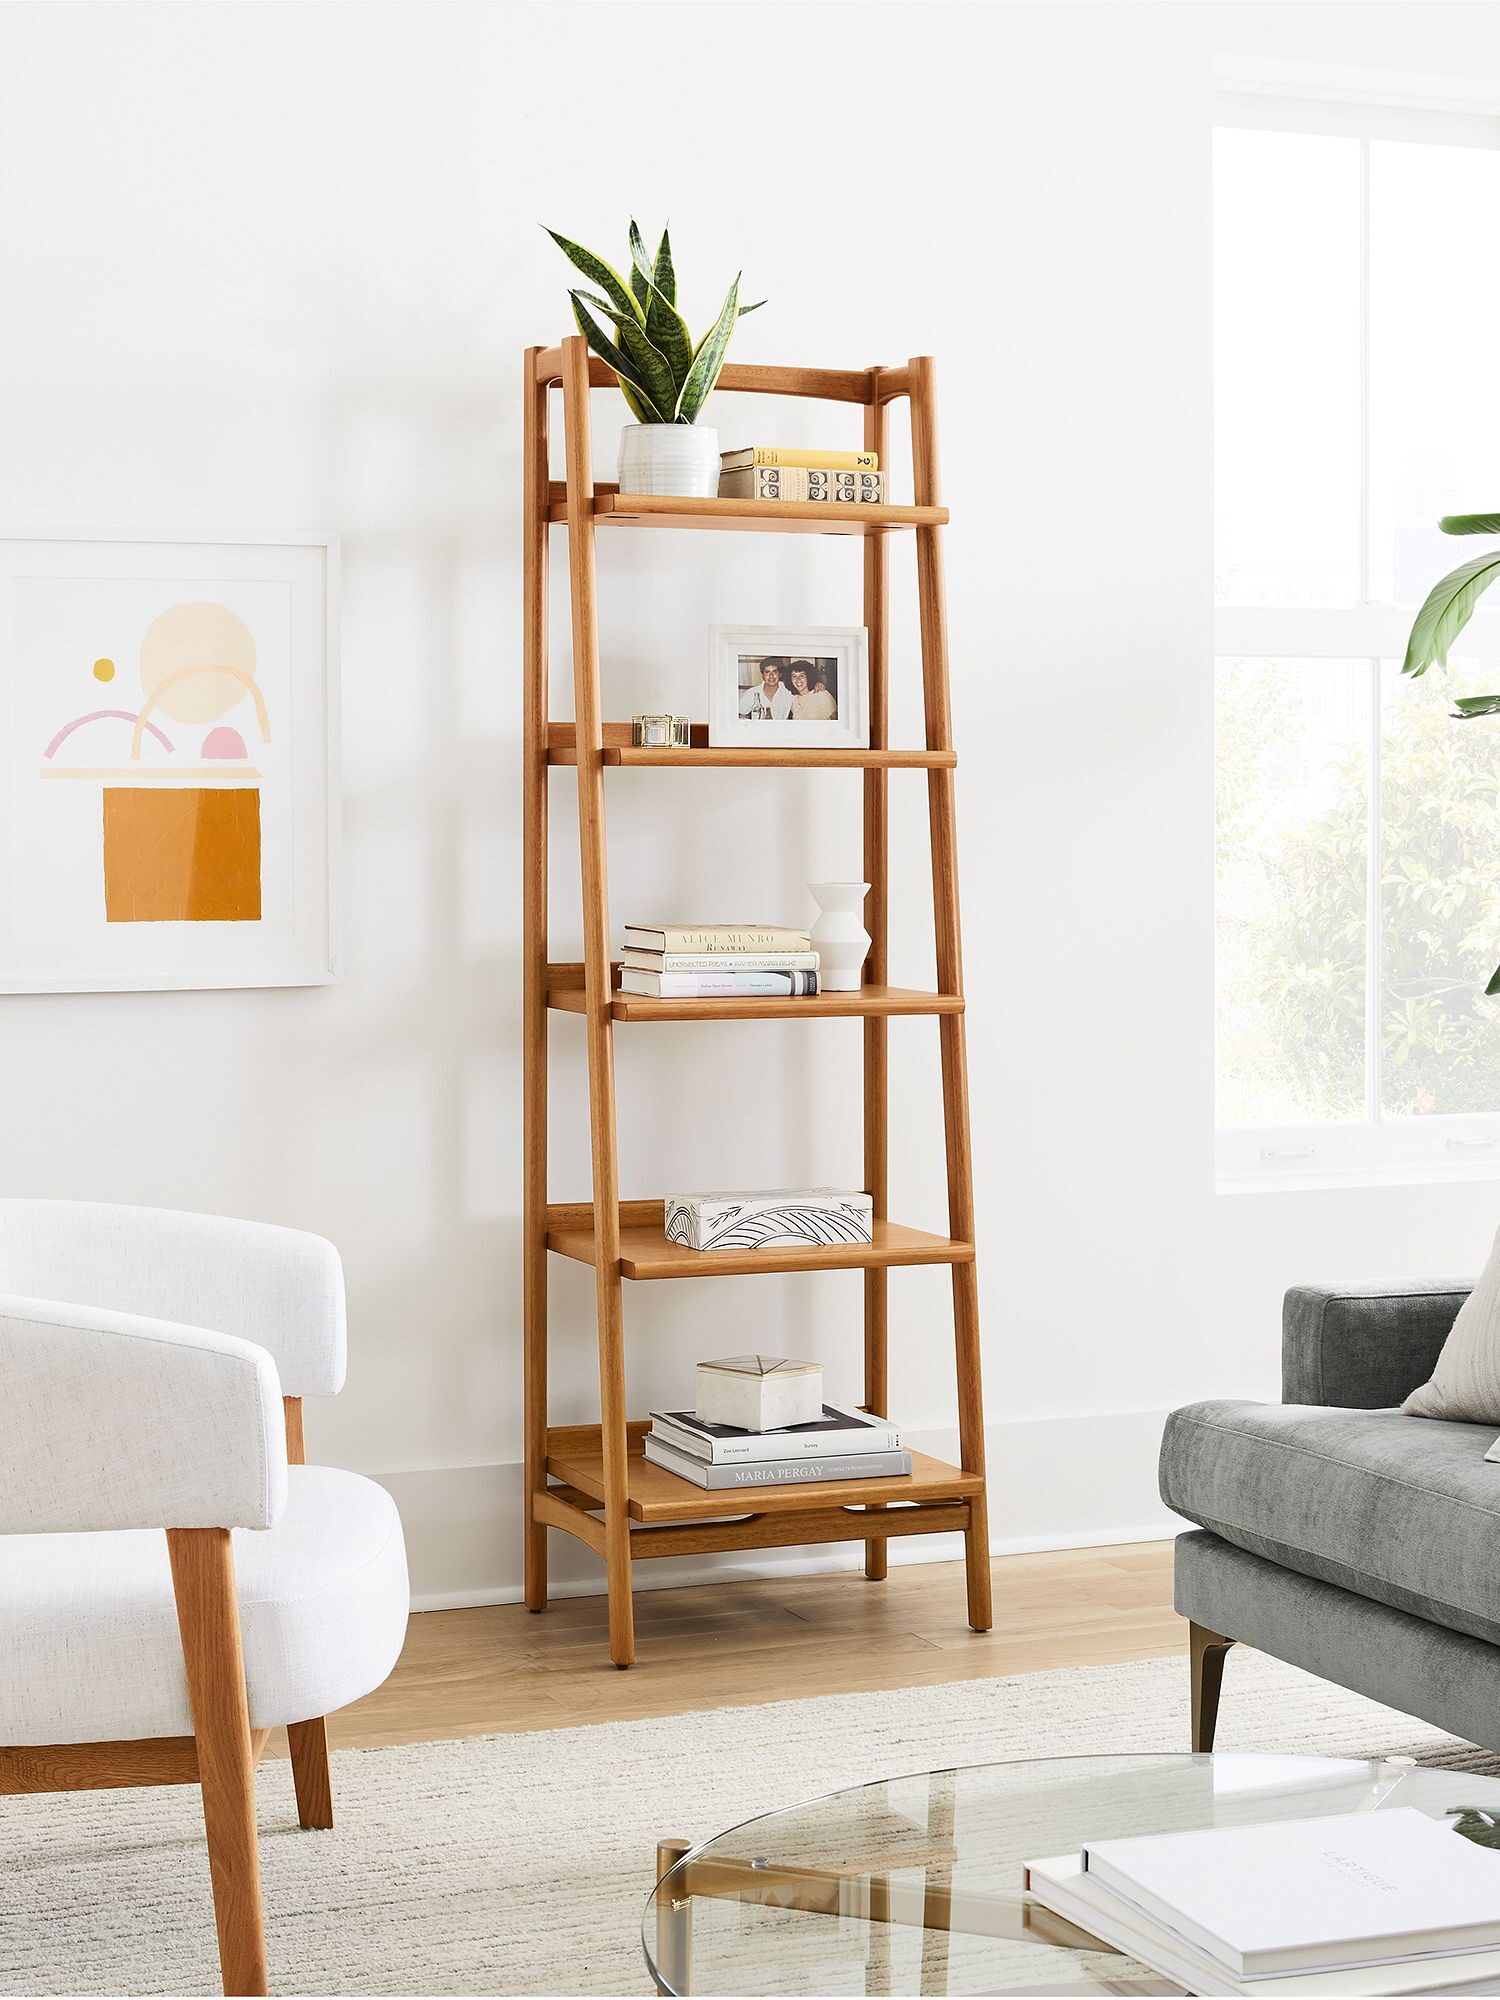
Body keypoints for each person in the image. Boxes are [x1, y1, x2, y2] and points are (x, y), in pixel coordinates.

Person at [740, 657, 793, 722]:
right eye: (767, 672)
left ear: (780, 674)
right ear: (762, 675)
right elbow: (739, 713)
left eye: (775, 672)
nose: (771, 676)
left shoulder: (789, 691)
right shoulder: (752, 693)